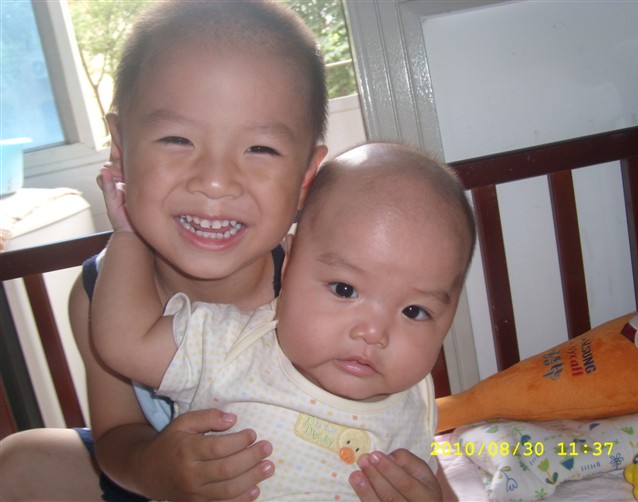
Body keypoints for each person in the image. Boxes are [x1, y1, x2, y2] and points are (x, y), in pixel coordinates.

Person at [0, 1, 327, 500]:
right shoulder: (97, 294)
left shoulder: (322, 286)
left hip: (296, 472)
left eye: (260, 148)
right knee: (19, 460)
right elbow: (116, 437)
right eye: (177, 139)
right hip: (159, 476)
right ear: (120, 149)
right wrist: (153, 469)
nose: (215, 181)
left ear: (305, 177)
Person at [92, 142, 475, 500]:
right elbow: (124, 342)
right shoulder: (230, 345)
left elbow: (426, 481)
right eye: (344, 290)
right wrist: (128, 236)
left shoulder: (415, 404)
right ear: (289, 265)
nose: (373, 333)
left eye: (414, 311)